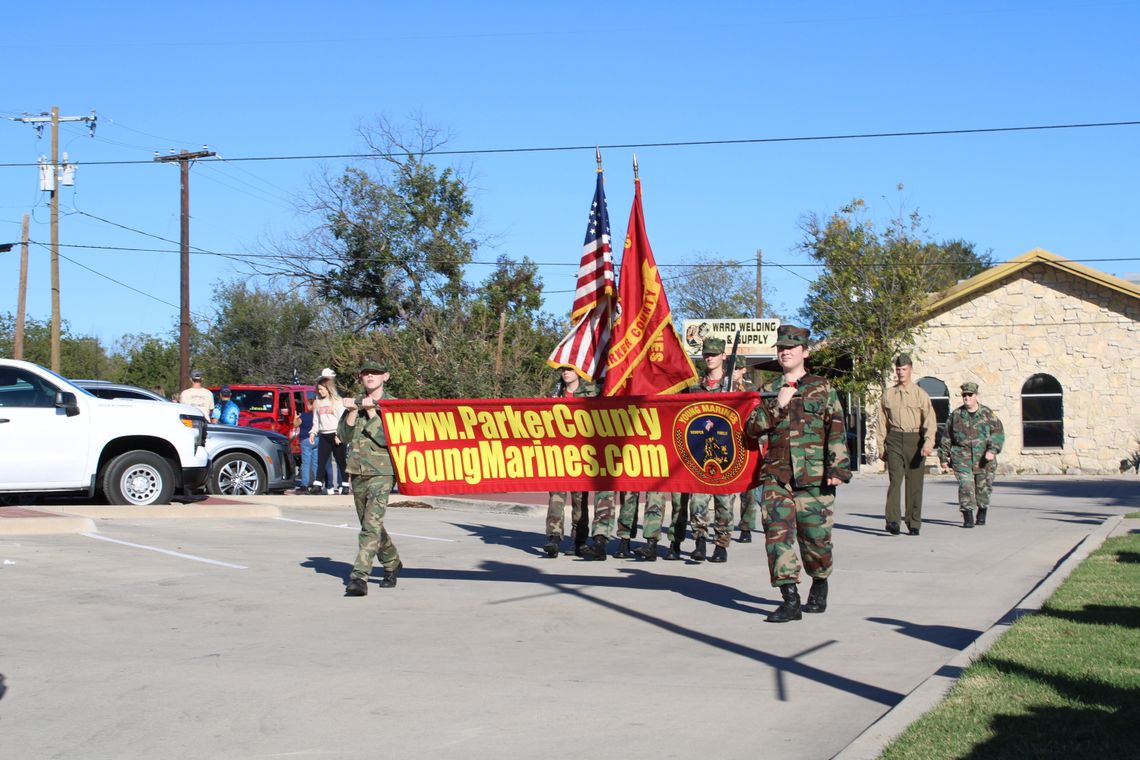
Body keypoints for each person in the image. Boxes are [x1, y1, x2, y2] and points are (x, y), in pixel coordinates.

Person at [744, 324, 851, 623]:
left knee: (816, 540)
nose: (785, 351)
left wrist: (838, 468)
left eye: (791, 347)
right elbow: (751, 429)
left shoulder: (822, 387)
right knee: (777, 536)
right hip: (777, 476)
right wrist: (776, 407)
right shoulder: (768, 392)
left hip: (815, 477)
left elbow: (837, 429)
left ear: (805, 352)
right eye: (780, 348)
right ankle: (789, 599)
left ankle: (819, 581)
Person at [342, 360, 401, 596]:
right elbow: (342, 436)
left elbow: (389, 438)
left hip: (382, 471)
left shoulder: (393, 405)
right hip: (357, 471)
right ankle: (392, 561)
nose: (370, 377)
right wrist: (353, 411)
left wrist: (371, 412)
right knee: (370, 524)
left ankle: (359, 577)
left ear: (385, 376)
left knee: (370, 525)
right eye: (366, 373)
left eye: (375, 373)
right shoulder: (356, 401)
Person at [682, 337, 736, 562]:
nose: (710, 358)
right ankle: (700, 542)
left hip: (726, 453)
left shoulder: (734, 385)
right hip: (700, 453)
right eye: (706, 354)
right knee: (698, 502)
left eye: (714, 354)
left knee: (724, 503)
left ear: (724, 356)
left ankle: (721, 545)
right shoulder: (696, 387)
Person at [876, 354, 936, 536]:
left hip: (915, 440)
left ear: (911, 369)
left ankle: (913, 522)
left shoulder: (921, 395)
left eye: (904, 369)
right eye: (898, 369)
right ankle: (893, 521)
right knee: (895, 480)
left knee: (914, 483)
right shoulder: (888, 395)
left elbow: (930, 421)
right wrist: (881, 446)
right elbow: (881, 422)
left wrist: (928, 443)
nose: (901, 372)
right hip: (894, 439)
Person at [543, 365, 597, 557]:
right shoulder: (554, 395)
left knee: (579, 499)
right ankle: (554, 537)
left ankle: (579, 540)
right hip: (559, 452)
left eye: (570, 369)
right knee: (556, 497)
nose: (565, 372)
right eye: (563, 369)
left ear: (578, 372)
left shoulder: (590, 394)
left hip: (582, 453)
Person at [939, 382, 1005, 528]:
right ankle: (968, 516)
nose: (967, 397)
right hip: (962, 460)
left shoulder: (987, 414)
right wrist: (943, 457)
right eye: (964, 395)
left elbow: (998, 433)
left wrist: (992, 450)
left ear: (976, 396)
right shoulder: (956, 416)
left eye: (970, 395)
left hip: (984, 460)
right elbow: (946, 437)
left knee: (983, 488)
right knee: (966, 486)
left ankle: (982, 511)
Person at [309, 369, 349, 495]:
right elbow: (316, 420)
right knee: (321, 461)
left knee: (341, 461)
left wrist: (340, 435)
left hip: (336, 434)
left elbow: (342, 419)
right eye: (319, 390)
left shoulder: (337, 401)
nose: (320, 392)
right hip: (324, 434)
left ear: (328, 388)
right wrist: (313, 432)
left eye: (322, 389)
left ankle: (345, 484)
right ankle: (318, 484)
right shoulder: (318, 402)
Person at [294, 390, 318, 491]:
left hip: (306, 439)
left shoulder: (304, 415)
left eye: (308, 404)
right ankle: (317, 483)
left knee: (306, 463)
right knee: (315, 462)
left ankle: (304, 484)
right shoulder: (319, 416)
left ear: (311, 405)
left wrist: (295, 417)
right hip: (317, 438)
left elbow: (295, 424)